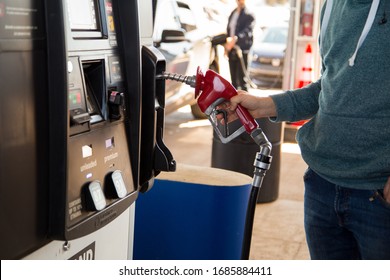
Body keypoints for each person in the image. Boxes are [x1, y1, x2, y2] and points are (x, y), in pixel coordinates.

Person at [222, 0, 390, 260]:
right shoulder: (331, 7)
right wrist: (262, 106)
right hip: (321, 186)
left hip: (378, 195)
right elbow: (328, 87)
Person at [225, 0, 255, 91]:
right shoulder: (233, 13)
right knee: (233, 81)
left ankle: (246, 104)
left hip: (242, 50)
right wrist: (227, 47)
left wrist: (235, 39)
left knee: (242, 80)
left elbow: (247, 31)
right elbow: (229, 30)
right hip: (232, 49)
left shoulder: (249, 15)